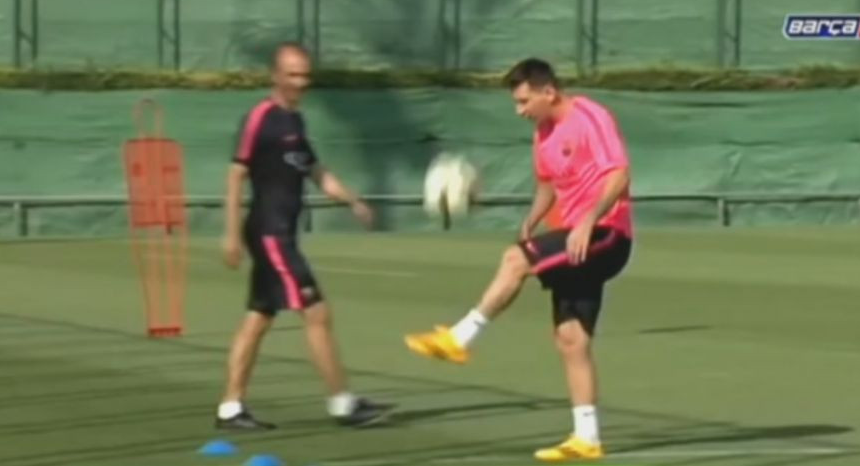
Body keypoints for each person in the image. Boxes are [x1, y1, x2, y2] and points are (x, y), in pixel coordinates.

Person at [403, 58, 634, 461]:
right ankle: (587, 438)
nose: (519, 110)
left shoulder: (589, 116)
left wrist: (588, 222)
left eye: (524, 101)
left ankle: (460, 338)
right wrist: (532, 218)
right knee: (571, 339)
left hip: (606, 233)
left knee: (515, 260)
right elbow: (547, 183)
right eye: (516, 102)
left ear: (549, 92)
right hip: (573, 236)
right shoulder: (543, 132)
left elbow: (619, 173)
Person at [216, 42, 391, 430]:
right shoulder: (260, 118)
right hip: (270, 234)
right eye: (292, 75)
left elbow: (316, 172)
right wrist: (229, 234)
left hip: (281, 234)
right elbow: (235, 174)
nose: (301, 82)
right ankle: (342, 403)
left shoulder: (295, 121)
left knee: (258, 317)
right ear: (275, 75)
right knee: (316, 312)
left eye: (305, 75)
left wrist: (353, 201)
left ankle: (230, 408)